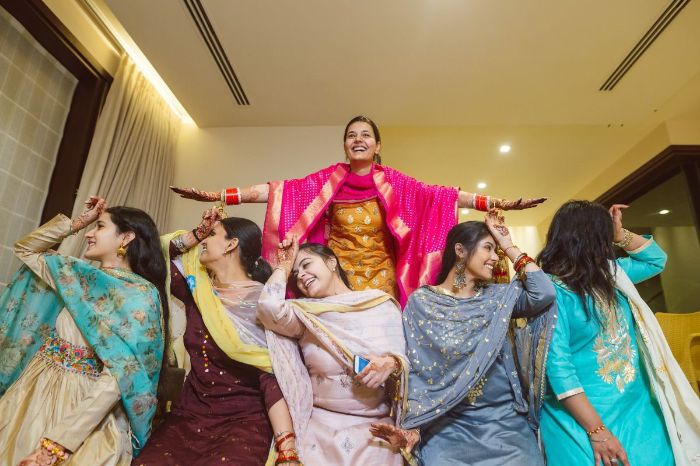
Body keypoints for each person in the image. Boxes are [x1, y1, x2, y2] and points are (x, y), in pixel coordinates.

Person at [171, 115, 545, 305]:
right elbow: (277, 191)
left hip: (383, 281)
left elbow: (442, 195)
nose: (358, 139)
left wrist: (496, 202)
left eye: (365, 134)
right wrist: (221, 194)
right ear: (345, 146)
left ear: (377, 145)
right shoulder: (328, 180)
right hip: (338, 279)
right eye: (351, 135)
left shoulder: (395, 182)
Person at [370, 210, 557, 465]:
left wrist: (508, 245)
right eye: (488, 248)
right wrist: (414, 426)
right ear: (460, 250)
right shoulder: (423, 302)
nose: (495, 258)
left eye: (496, 251)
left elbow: (544, 293)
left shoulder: (498, 298)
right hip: (447, 428)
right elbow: (417, 369)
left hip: (505, 425)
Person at [0, 197, 166, 465]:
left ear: (126, 238)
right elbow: (26, 249)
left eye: (100, 226)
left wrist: (59, 442)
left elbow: (119, 378)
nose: (89, 234)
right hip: (31, 391)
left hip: (82, 405)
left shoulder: (140, 297)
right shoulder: (75, 276)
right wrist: (77, 222)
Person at [538, 201, 700, 466]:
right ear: (590, 237)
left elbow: (656, 260)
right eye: (604, 235)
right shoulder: (550, 292)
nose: (607, 244)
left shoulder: (611, 276)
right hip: (582, 414)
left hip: (638, 407)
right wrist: (597, 431)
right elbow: (558, 367)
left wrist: (620, 234)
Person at [135, 209, 298, 465]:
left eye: (211, 235)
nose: (204, 241)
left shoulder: (263, 303)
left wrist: (287, 447)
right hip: (188, 416)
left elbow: (271, 374)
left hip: (244, 421)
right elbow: (150, 256)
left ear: (231, 244)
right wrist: (196, 233)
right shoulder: (198, 292)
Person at [257, 238, 407, 465]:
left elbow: (403, 362)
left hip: (375, 427)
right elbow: (267, 308)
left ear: (331, 262)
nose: (301, 275)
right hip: (320, 428)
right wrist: (284, 267)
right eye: (296, 274)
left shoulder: (380, 305)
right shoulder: (305, 315)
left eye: (306, 265)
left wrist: (390, 363)